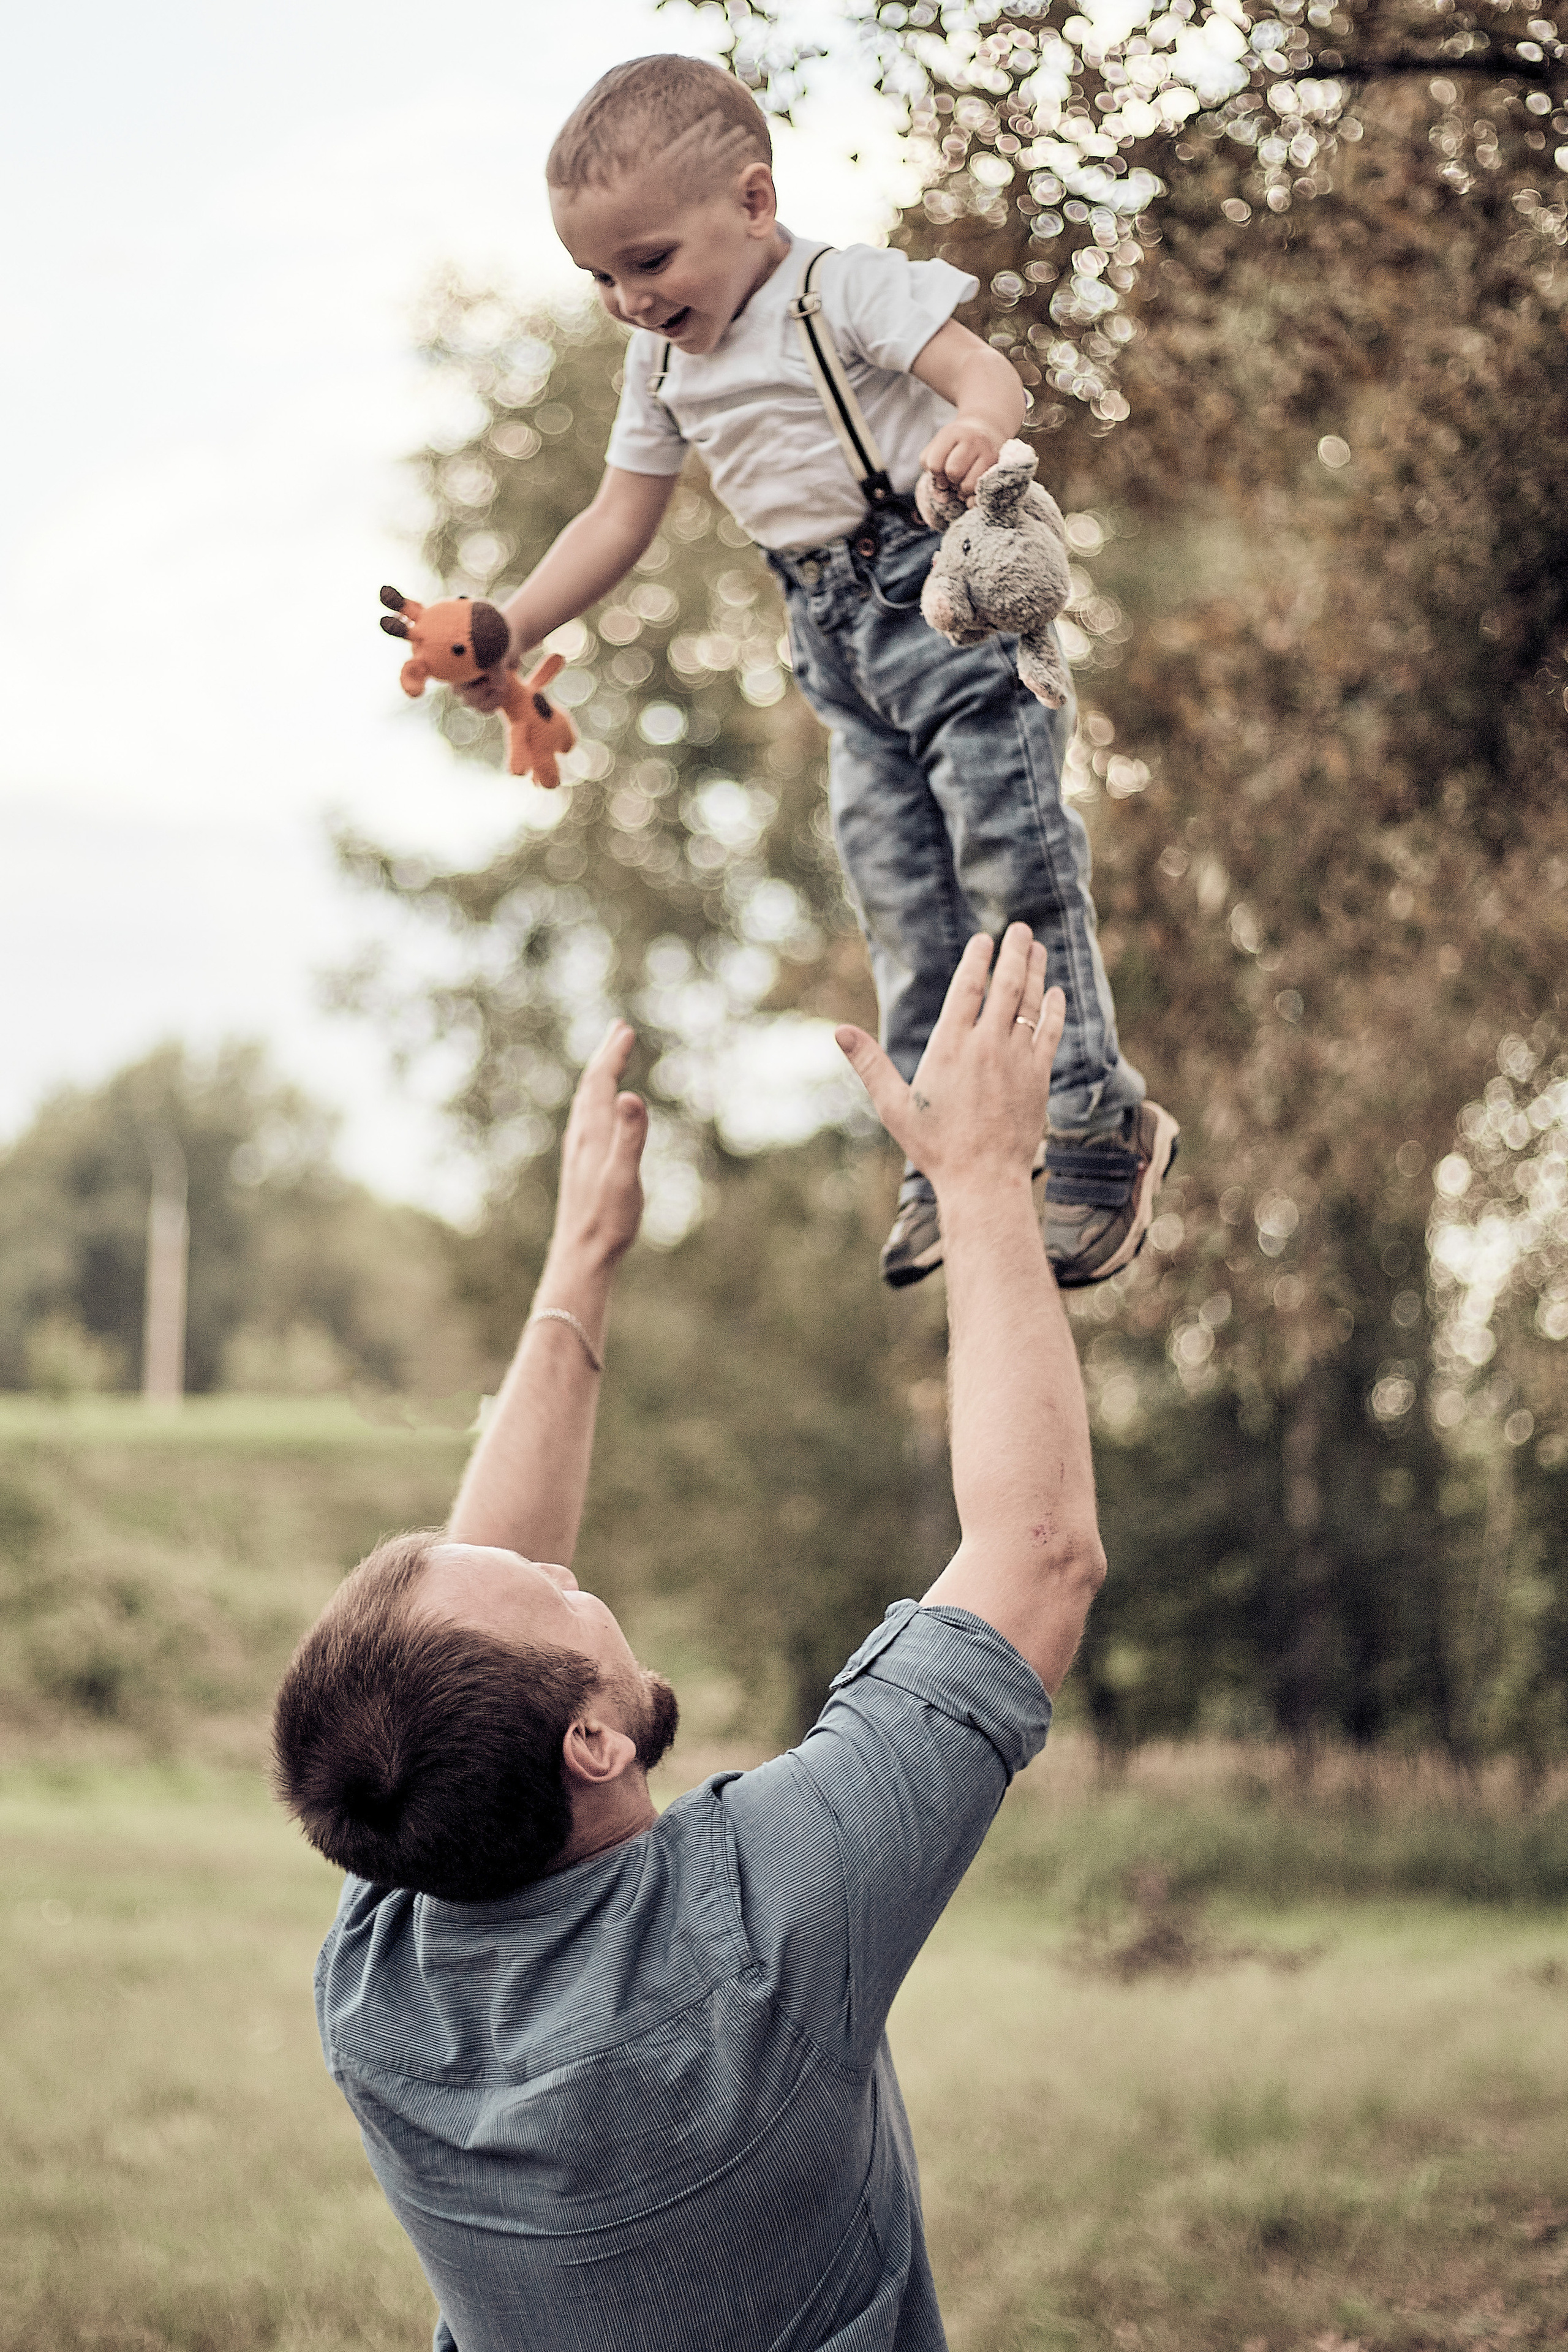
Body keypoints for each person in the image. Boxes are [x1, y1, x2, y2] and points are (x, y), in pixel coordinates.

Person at [273, 924, 1107, 2352]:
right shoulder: (757, 1934)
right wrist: (977, 1181)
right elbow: (1037, 1557)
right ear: (590, 1742)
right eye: (552, 1591)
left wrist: (581, 1262)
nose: (563, 1569)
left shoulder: (384, 1975)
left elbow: (476, 1636)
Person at [459, 52, 1177, 1291]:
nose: (630, 299)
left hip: (940, 598)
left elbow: (982, 375)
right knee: (899, 897)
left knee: (1013, 867)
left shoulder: (836, 291)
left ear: (750, 202)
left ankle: (1093, 1122)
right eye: (599, 277)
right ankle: (941, 1150)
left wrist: (971, 430)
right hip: (834, 644)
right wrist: (510, 627)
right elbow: (615, 520)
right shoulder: (664, 364)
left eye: (649, 262)